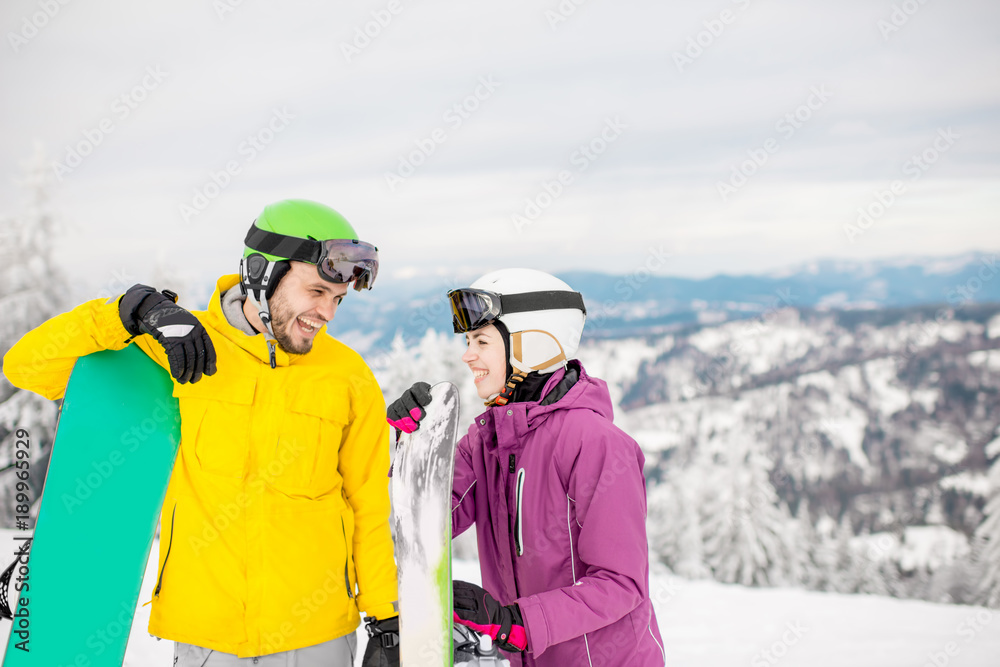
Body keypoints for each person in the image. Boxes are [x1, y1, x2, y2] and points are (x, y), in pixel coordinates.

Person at [3, 199, 400, 667]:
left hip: (317, 638)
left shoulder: (348, 377)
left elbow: (367, 505)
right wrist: (129, 311)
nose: (327, 313)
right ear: (261, 273)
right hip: (207, 639)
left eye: (337, 299)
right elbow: (27, 367)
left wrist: (388, 619)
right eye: (315, 291)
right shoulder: (182, 348)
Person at [386, 268, 665, 667]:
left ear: (532, 345)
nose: (467, 355)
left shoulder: (596, 444)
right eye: (468, 341)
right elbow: (425, 524)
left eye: (481, 341)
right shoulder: (487, 441)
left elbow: (621, 583)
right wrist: (410, 449)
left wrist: (516, 623)